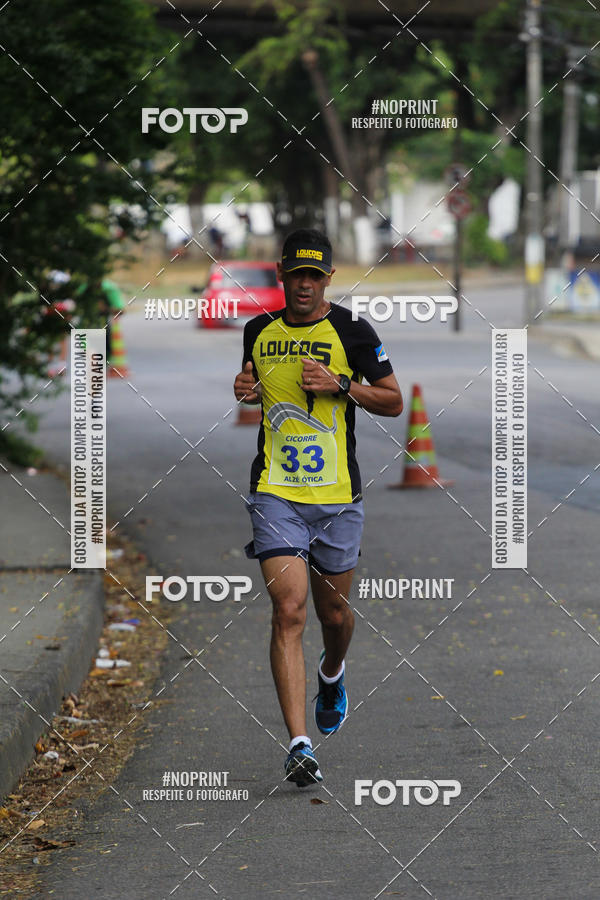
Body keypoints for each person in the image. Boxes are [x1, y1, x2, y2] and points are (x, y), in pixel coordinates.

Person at [233, 228, 402, 787]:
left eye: (314, 275)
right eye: (295, 274)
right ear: (281, 275)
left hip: (336, 498)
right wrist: (245, 388)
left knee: (334, 616)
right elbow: (253, 387)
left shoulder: (353, 331)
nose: (304, 284)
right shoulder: (258, 330)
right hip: (275, 491)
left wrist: (341, 384)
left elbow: (394, 401)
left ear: (328, 279)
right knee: (289, 610)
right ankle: (299, 745)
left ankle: (332, 672)